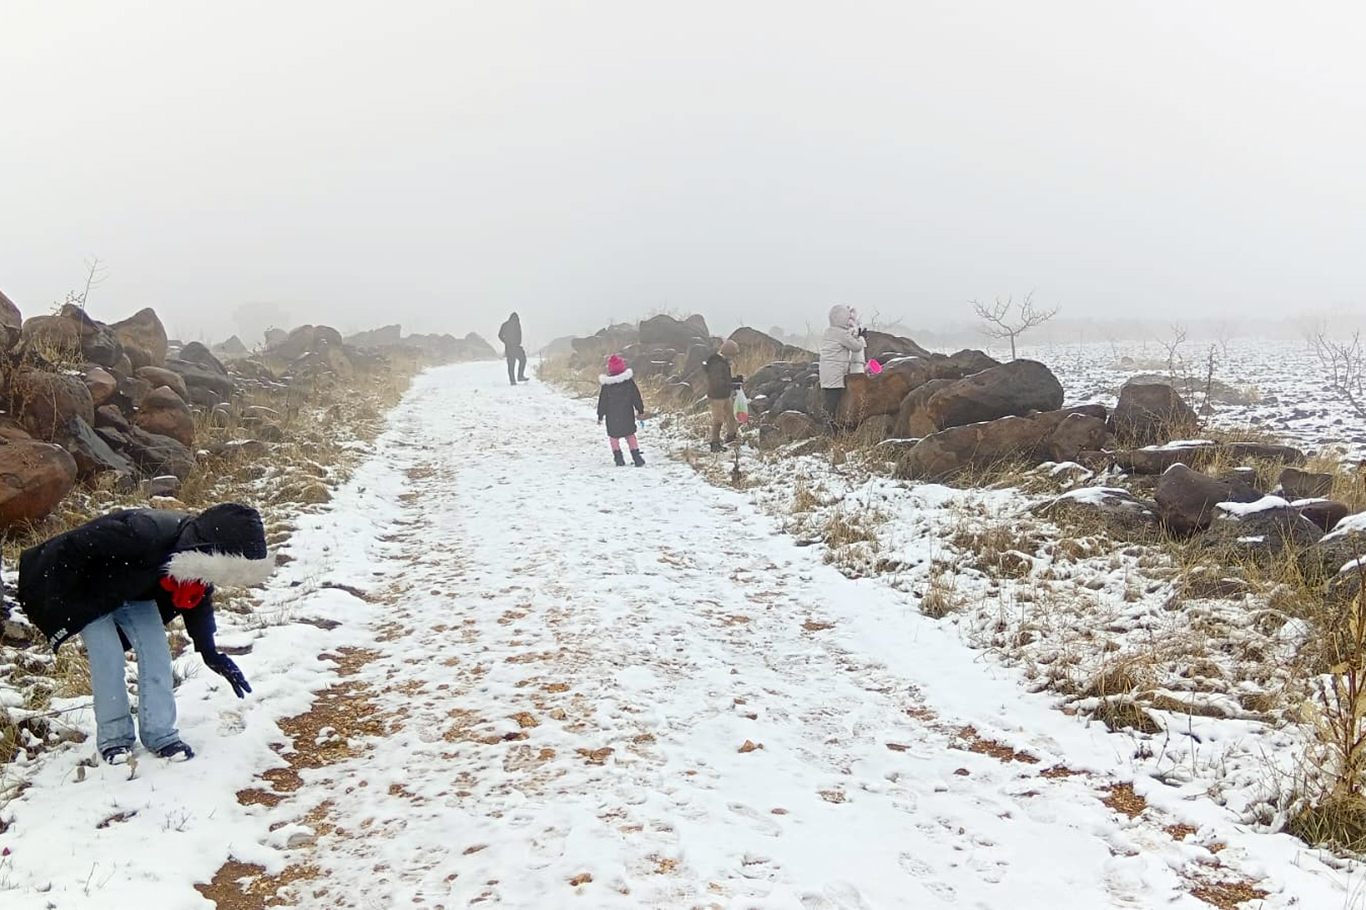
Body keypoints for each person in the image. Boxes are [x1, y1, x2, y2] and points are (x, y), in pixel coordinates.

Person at [17, 504, 276, 765]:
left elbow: (198, 598)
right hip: (87, 590)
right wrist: (64, 601)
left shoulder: (192, 555)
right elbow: (73, 546)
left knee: (157, 654)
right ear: (214, 549)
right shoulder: (146, 533)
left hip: (134, 593)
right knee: (108, 657)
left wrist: (209, 651)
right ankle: (114, 738)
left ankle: (161, 734)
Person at [818, 304, 868, 426]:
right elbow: (856, 347)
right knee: (834, 401)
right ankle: (830, 428)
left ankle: (828, 425)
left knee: (828, 399)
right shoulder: (841, 334)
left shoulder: (829, 332)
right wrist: (861, 338)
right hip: (836, 372)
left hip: (825, 371)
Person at [597, 354, 646, 466]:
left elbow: (602, 402)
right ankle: (636, 457)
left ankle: (618, 459)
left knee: (614, 437)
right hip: (627, 414)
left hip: (612, 416)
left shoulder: (607, 385)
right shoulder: (629, 382)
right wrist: (640, 410)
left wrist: (600, 416)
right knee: (630, 435)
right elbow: (636, 397)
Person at [702, 339, 743, 452]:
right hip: (717, 397)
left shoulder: (723, 363)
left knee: (731, 417)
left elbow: (724, 380)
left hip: (724, 395)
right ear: (728, 354)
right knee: (718, 420)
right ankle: (714, 443)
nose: (733, 358)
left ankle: (731, 437)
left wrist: (735, 380)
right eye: (733, 356)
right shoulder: (717, 364)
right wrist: (732, 385)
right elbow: (717, 383)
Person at [498, 312, 528, 385]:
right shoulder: (515, 324)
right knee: (521, 360)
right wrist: (506, 341)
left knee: (512, 364)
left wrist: (505, 341)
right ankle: (519, 377)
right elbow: (500, 335)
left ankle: (514, 380)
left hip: (511, 347)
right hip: (514, 347)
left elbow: (500, 335)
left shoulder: (506, 325)